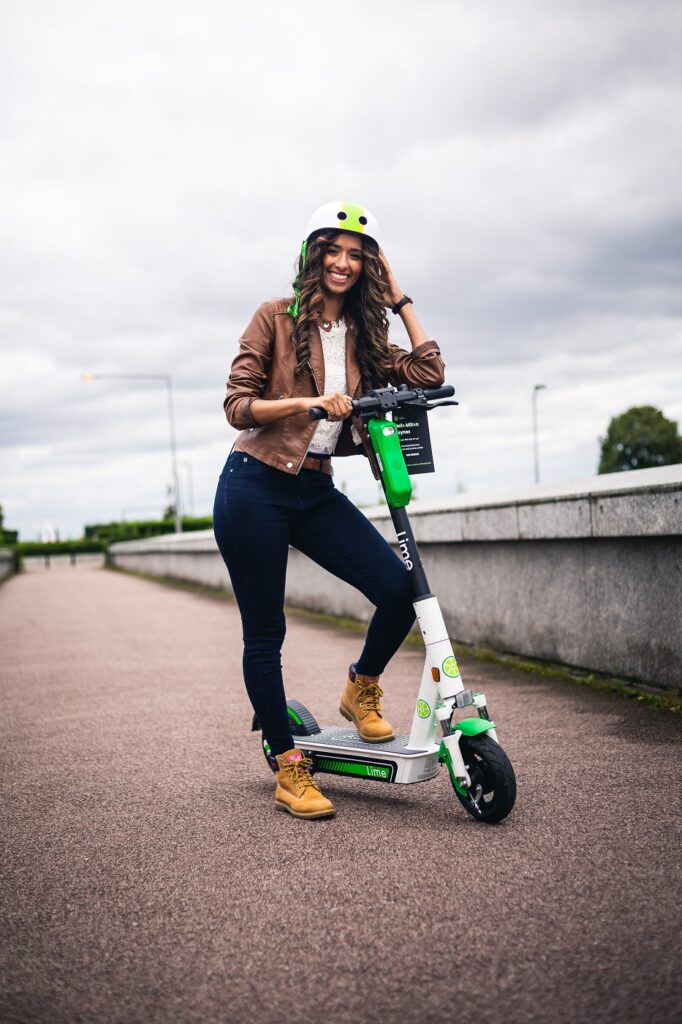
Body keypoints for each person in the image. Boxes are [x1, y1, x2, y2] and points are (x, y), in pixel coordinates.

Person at [213, 202, 445, 820]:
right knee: (266, 633)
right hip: (254, 487)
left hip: (313, 491)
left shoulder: (367, 341)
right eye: (333, 251)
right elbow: (237, 405)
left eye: (356, 255)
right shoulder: (275, 318)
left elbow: (428, 369)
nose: (343, 264)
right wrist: (308, 403)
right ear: (314, 257)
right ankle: (289, 766)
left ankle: (360, 688)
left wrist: (400, 299)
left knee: (399, 592)